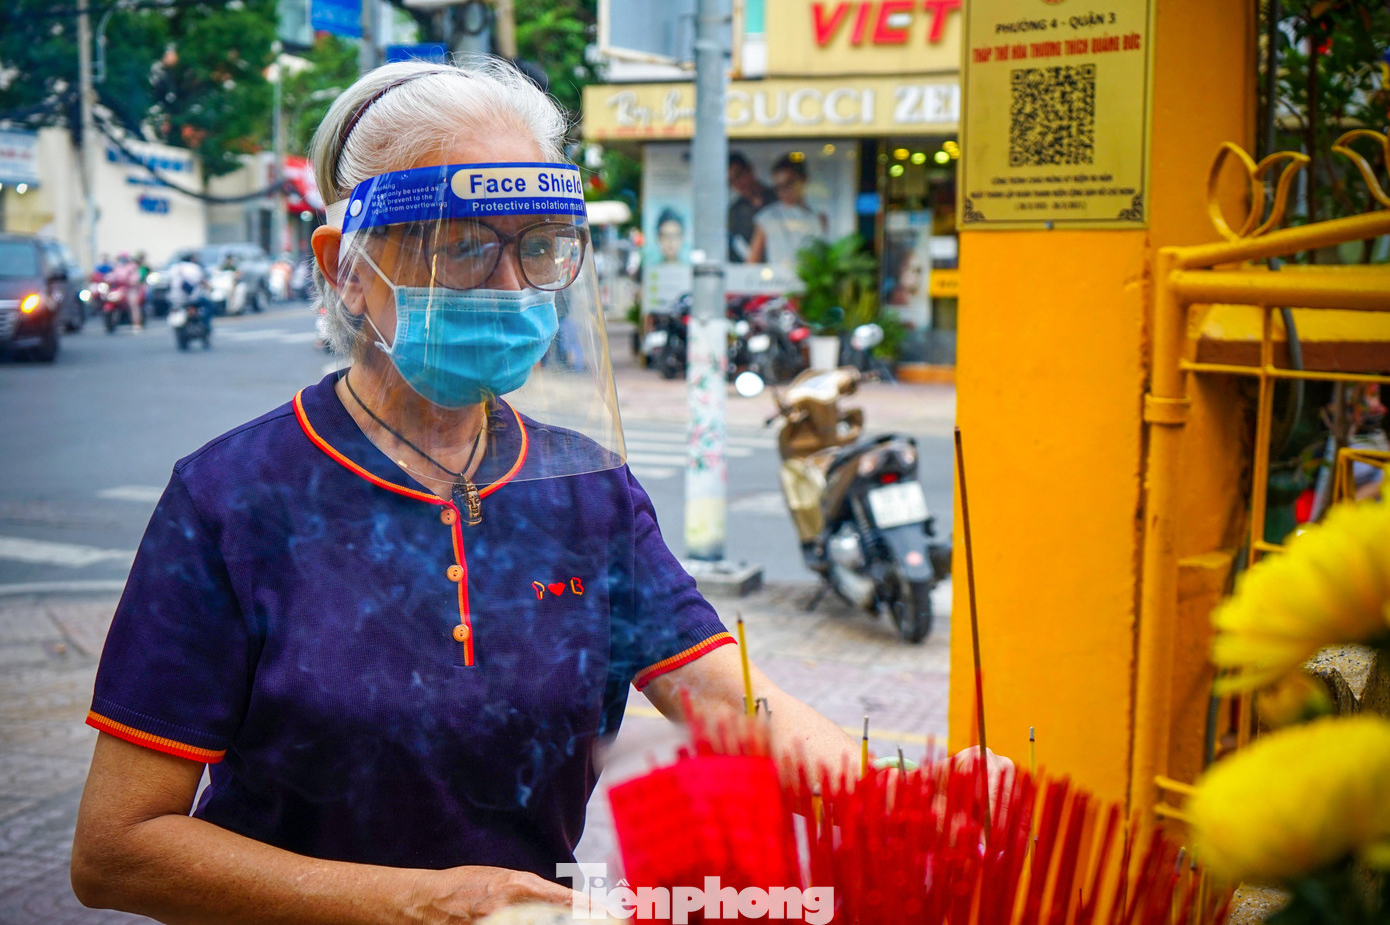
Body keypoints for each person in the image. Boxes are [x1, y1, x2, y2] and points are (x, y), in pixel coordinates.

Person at [71, 59, 1007, 924]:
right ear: (344, 269)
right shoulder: (231, 499)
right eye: (463, 247)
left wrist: (900, 795)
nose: (511, 286)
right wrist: (420, 904)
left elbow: (726, 698)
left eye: (543, 248)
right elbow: (118, 849)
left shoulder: (586, 492)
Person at [747, 155, 827, 269]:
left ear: (803, 180)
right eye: (778, 187)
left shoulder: (818, 217)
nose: (783, 191)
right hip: (777, 278)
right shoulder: (767, 217)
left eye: (788, 184)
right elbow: (751, 262)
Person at [727, 152, 772, 263]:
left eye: (739, 175)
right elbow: (735, 247)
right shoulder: (735, 211)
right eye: (731, 181)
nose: (738, 183)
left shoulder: (777, 199)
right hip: (752, 268)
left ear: (750, 170)